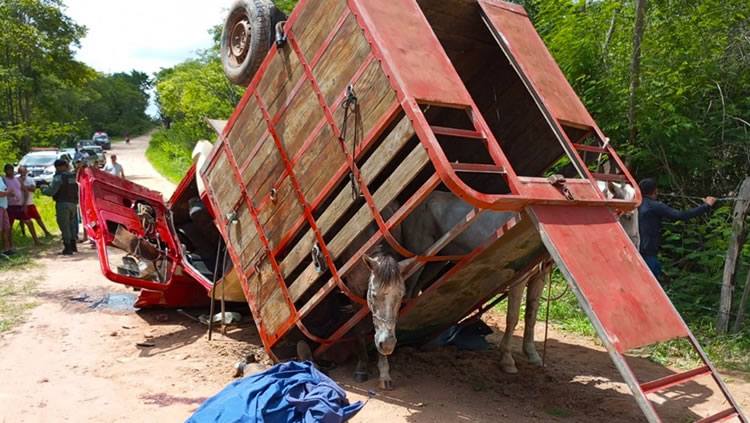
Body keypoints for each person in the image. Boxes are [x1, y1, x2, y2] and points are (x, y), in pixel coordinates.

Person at [638, 178, 716, 279]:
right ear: (655, 191)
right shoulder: (654, 206)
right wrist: (706, 206)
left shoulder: (634, 204)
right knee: (650, 282)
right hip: (648, 251)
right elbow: (681, 215)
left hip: (635, 247)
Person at [41, 160, 79, 255]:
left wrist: (43, 188)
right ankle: (73, 246)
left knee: (64, 225)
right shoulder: (73, 176)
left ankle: (67, 248)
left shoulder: (58, 178)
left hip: (62, 204)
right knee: (71, 225)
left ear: (59, 167)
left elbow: (50, 192)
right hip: (73, 204)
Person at [3, 164, 39, 247]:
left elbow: (25, 191)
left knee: (29, 222)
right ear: (6, 171)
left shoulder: (18, 179)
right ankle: (11, 245)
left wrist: (25, 204)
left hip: (19, 205)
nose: (10, 172)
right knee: (9, 227)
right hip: (9, 206)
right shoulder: (4, 179)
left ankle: (36, 241)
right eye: (8, 170)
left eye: (11, 170)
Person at [18, 166, 53, 238]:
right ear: (19, 172)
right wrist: (27, 187)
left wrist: (23, 186)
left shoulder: (30, 179)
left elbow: (33, 189)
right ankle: (23, 233)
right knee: (22, 219)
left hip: (30, 202)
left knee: (37, 218)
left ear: (26, 172)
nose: (23, 173)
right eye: (21, 172)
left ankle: (46, 232)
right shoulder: (16, 180)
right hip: (20, 202)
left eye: (24, 172)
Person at [0, 174, 15, 256]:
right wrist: (8, 192)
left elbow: (4, 190)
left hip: (4, 206)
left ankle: (6, 249)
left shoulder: (0, 178)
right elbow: (1, 194)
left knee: (6, 228)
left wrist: (10, 193)